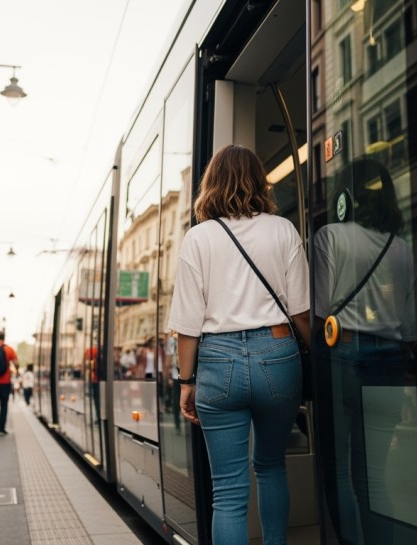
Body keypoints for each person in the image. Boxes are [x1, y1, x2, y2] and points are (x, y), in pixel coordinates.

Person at [167, 144, 311, 545]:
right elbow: (301, 311)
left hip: (217, 361)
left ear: (211, 184)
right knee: (270, 465)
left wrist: (185, 382)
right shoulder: (282, 229)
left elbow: (187, 325)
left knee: (228, 491)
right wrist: (321, 353)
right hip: (278, 356)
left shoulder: (198, 239)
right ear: (258, 181)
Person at [313, 158, 417, 544]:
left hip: (341, 355)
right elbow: (410, 330)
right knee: (374, 476)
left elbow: (320, 311)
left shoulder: (330, 237)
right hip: (389, 360)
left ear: (347, 193)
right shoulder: (403, 249)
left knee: (338, 472)